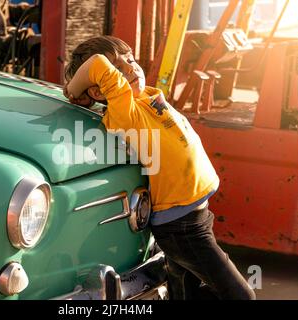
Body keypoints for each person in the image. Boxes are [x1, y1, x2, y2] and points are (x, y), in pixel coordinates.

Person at [63, 35, 256, 300]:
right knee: (240, 296)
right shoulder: (124, 113)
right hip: (182, 226)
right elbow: (97, 63)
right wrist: (74, 90)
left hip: (195, 216)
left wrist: (120, 70)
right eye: (118, 68)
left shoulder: (147, 99)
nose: (131, 68)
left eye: (131, 59)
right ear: (100, 90)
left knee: (183, 292)